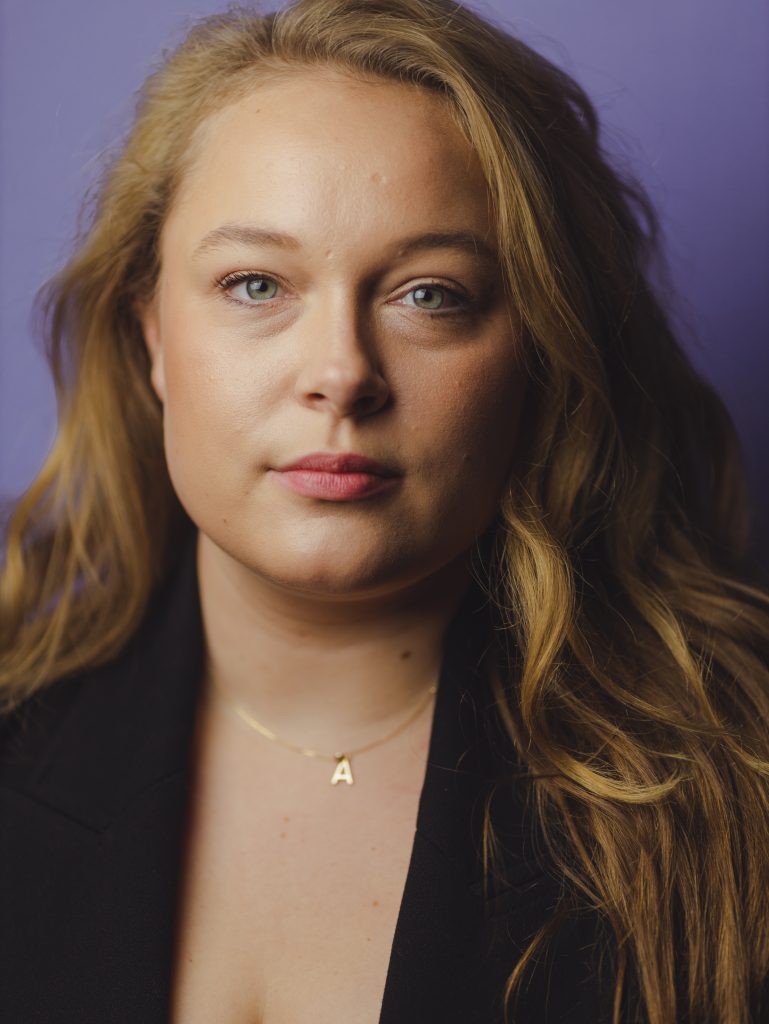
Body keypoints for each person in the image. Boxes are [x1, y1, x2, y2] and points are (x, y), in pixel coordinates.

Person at [1, 0, 768, 1020]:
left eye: (429, 294)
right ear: (150, 334)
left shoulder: (736, 805)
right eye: (256, 282)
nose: (341, 373)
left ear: (539, 350)